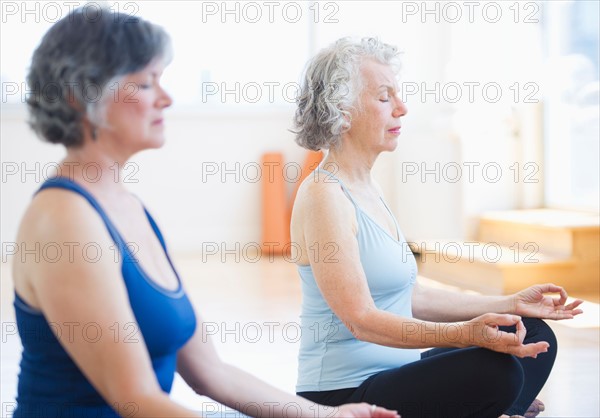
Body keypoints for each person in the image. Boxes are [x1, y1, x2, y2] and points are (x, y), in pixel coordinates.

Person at [11, 9, 400, 418]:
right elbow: (137, 399)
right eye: (145, 84)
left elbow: (211, 373)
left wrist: (327, 415)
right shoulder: (64, 222)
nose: (166, 98)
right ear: (81, 98)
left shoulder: (127, 208)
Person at [290, 37, 584, 418]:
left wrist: (508, 304)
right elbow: (360, 319)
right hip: (345, 393)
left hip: (395, 371)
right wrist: (465, 333)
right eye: (384, 98)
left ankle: (499, 407)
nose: (402, 108)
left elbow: (413, 298)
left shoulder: (368, 186)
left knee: (529, 331)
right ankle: (501, 406)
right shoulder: (323, 196)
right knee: (497, 371)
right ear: (342, 111)